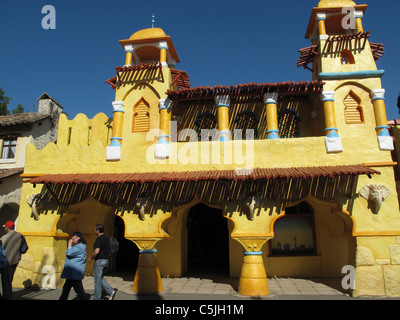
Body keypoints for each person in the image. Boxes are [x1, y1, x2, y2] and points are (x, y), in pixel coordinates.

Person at [88, 224, 117, 300]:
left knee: (97, 280)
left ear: (97, 230)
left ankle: (97, 298)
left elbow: (97, 251)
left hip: (100, 261)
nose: (94, 231)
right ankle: (111, 291)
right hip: (106, 260)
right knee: (99, 277)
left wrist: (91, 257)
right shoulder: (108, 238)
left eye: (95, 229)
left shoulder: (99, 239)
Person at [59, 232, 89, 300]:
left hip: (75, 272)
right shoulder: (78, 246)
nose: (72, 240)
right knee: (66, 289)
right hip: (71, 272)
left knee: (79, 291)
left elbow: (69, 253)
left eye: (73, 238)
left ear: (78, 238)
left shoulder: (80, 246)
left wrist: (69, 244)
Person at [0, 221, 25, 300]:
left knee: (6, 280)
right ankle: (8, 295)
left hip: (6, 262)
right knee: (10, 279)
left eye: (5, 228)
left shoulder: (4, 238)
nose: (4, 229)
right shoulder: (20, 236)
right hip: (16, 260)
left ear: (7, 228)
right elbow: (24, 249)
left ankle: (7, 297)